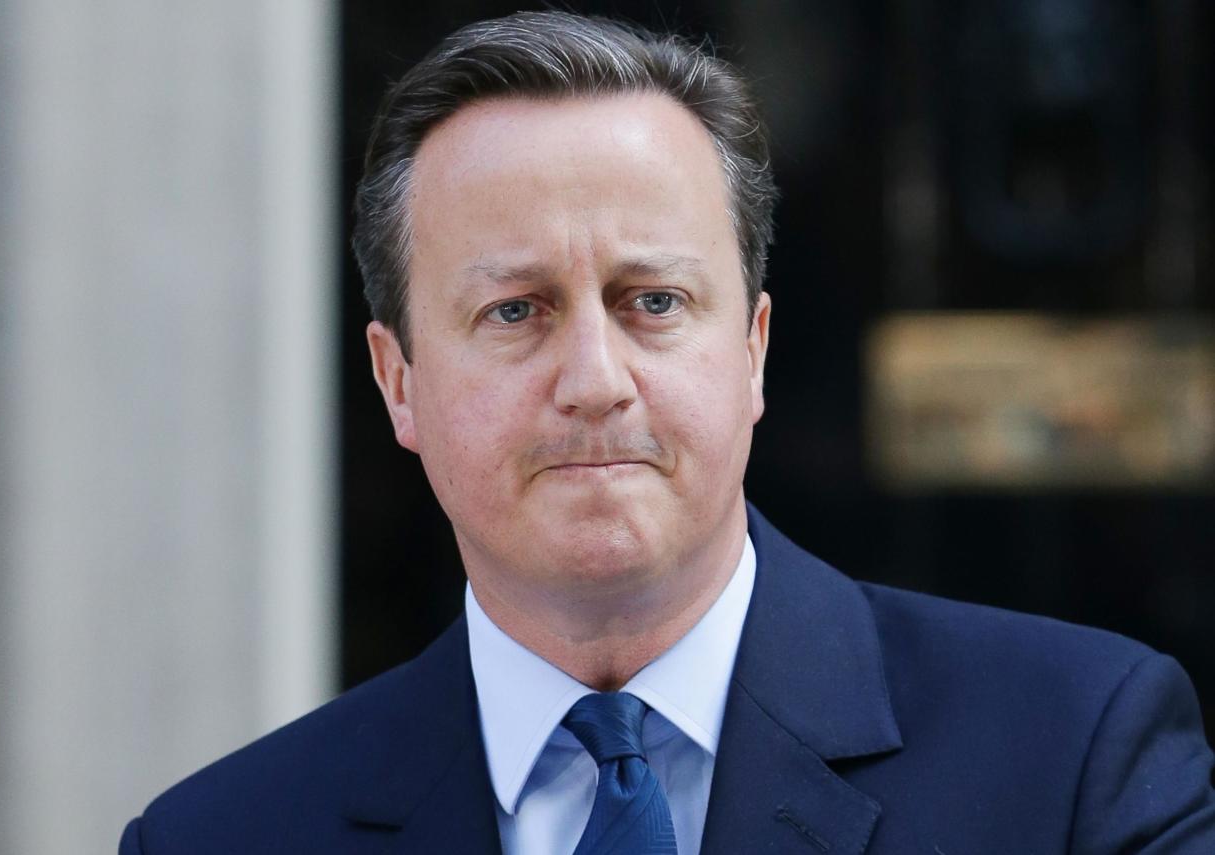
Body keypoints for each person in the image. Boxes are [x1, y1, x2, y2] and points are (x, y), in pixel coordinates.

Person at [120, 11, 1215, 854]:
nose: (595, 382)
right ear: (396, 381)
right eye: (515, 311)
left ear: (753, 349)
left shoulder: (1070, 757)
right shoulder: (222, 835)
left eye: (652, 301)